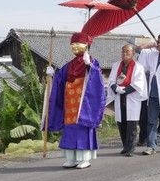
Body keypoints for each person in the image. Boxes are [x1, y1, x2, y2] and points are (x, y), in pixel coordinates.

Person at [47, 32, 106, 169]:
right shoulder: (69, 65)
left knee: (82, 129)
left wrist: (90, 66)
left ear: (86, 45)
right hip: (70, 102)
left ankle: (84, 159)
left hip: (83, 103)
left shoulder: (91, 62)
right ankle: (70, 158)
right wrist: (52, 74)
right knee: (69, 129)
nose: (74, 47)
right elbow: (60, 79)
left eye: (77, 44)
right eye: (72, 44)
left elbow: (97, 80)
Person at [107, 44, 147, 157]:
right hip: (120, 98)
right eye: (123, 51)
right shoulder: (116, 65)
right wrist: (116, 88)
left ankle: (131, 148)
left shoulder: (138, 66)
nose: (125, 54)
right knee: (121, 123)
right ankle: (125, 146)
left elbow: (138, 84)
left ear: (133, 53)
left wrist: (124, 90)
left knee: (131, 125)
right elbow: (111, 80)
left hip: (132, 97)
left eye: (127, 52)